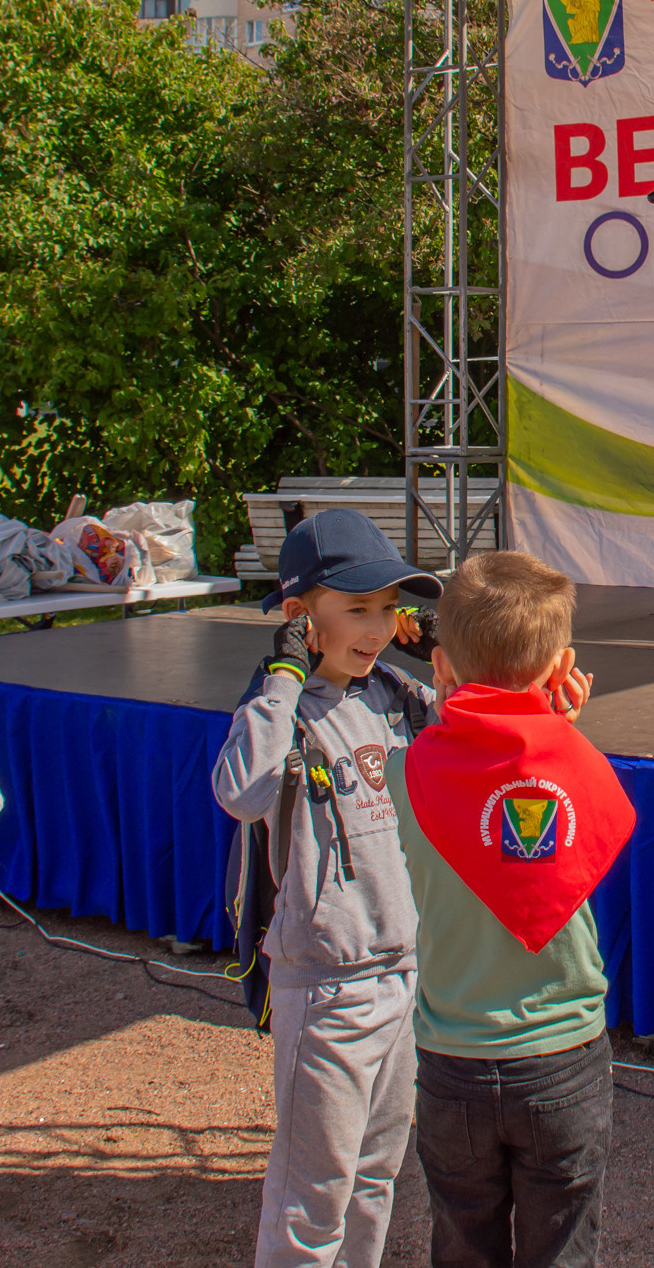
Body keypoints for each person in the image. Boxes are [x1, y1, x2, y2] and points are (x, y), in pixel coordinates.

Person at [212, 509, 443, 1268]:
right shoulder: (278, 710)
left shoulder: (396, 696)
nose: (375, 629)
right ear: (298, 617)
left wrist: (446, 658)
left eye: (388, 610)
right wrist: (282, 677)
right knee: (314, 1193)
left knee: (377, 1176)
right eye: (355, 610)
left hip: (401, 976)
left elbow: (475, 740)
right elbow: (242, 790)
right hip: (328, 990)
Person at [403, 551, 616, 1268]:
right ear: (561, 671)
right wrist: (561, 730)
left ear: (439, 668)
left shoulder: (412, 773)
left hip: (453, 1057)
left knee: (464, 1243)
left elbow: (462, 756)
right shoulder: (579, 764)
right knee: (562, 1249)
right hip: (562, 1055)